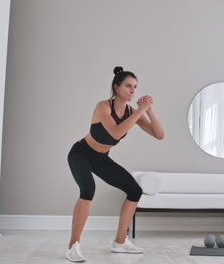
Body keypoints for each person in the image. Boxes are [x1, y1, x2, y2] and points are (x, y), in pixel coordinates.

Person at [65, 66, 165, 262]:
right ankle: (72, 246)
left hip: (101, 158)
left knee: (134, 190)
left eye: (135, 87)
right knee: (88, 190)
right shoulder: (103, 106)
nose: (133, 91)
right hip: (81, 154)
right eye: (128, 86)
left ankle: (120, 241)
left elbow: (159, 135)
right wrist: (140, 112)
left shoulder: (131, 112)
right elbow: (116, 133)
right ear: (116, 87)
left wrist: (150, 111)